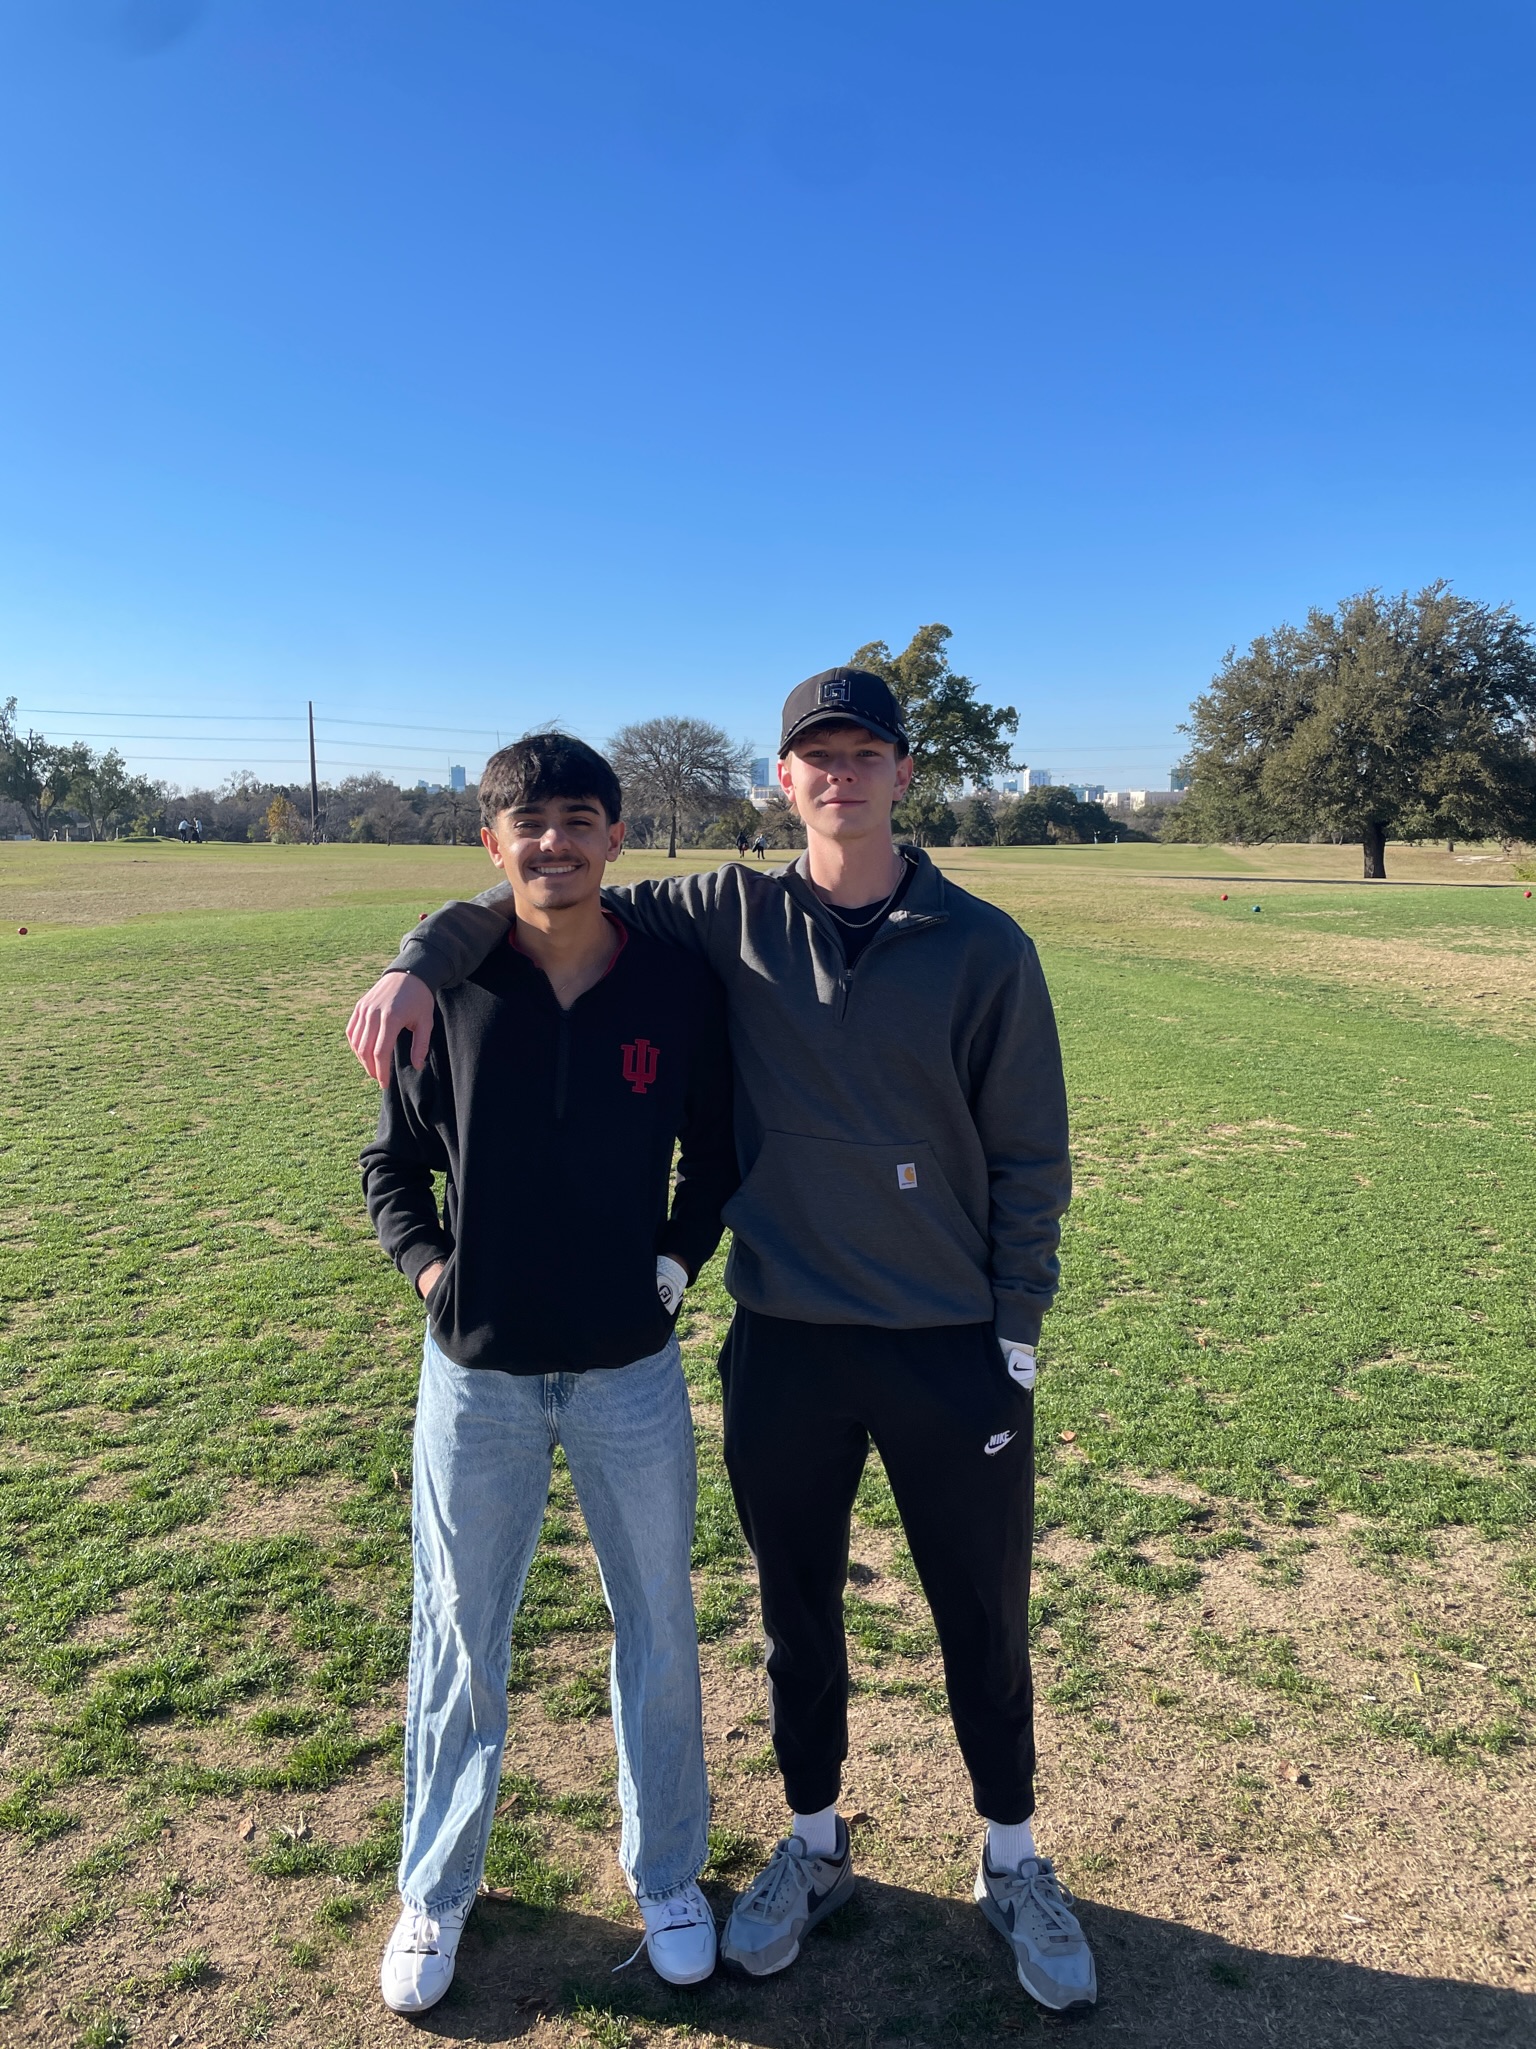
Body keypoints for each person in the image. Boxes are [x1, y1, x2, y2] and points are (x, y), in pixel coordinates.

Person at [347, 669, 1096, 2015]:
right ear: (783, 779)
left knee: (974, 1616)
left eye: (866, 753)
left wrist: (1018, 1325)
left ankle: (1011, 1860)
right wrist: (418, 957)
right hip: (781, 1340)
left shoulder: (982, 946)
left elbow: (1029, 1157)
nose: (842, 775)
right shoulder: (726, 910)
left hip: (936, 1342)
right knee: (786, 1619)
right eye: (819, 756)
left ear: (903, 772)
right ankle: (801, 1847)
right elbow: (532, 894)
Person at [359, 733, 736, 2014]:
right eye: (529, 823)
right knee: (459, 1631)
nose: (554, 843)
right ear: (492, 843)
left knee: (660, 1626)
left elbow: (718, 1153)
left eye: (579, 820)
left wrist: (675, 1265)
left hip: (630, 1371)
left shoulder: (674, 985)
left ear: (615, 837)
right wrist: (433, 1278)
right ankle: (435, 1889)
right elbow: (391, 1168)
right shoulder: (453, 987)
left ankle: (667, 1875)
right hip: (480, 1377)